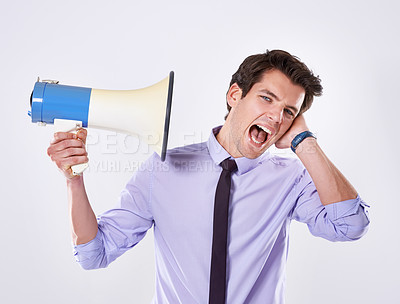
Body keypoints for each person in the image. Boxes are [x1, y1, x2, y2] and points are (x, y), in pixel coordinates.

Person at [47, 50, 370, 304]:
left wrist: (305, 142)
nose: (276, 116)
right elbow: (95, 254)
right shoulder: (162, 169)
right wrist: (73, 180)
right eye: (267, 98)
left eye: (289, 111)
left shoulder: (291, 178)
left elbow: (350, 226)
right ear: (234, 94)